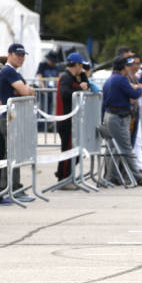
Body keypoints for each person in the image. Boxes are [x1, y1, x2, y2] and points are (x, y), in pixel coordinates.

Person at [102, 56, 142, 187]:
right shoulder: (121, 79)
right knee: (126, 148)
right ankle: (138, 176)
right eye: (128, 66)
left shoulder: (111, 79)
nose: (130, 68)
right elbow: (134, 94)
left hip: (110, 116)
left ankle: (111, 176)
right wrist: (140, 87)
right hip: (118, 117)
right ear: (123, 67)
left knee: (113, 148)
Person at [0, 43, 36, 202]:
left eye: (22, 55)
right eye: (17, 55)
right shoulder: (8, 71)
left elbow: (26, 91)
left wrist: (25, 90)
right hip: (9, 117)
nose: (21, 58)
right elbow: (27, 91)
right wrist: (26, 89)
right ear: (9, 54)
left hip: (14, 117)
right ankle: (10, 188)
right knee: (11, 153)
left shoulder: (13, 72)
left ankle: (13, 187)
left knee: (14, 152)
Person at [56, 52, 89, 186]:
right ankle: (64, 179)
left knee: (75, 151)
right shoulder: (65, 77)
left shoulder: (77, 76)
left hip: (74, 120)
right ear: (77, 64)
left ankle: (66, 175)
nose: (82, 69)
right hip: (66, 119)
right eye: (81, 66)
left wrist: (83, 77)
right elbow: (65, 94)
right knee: (68, 150)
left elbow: (87, 85)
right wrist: (78, 87)